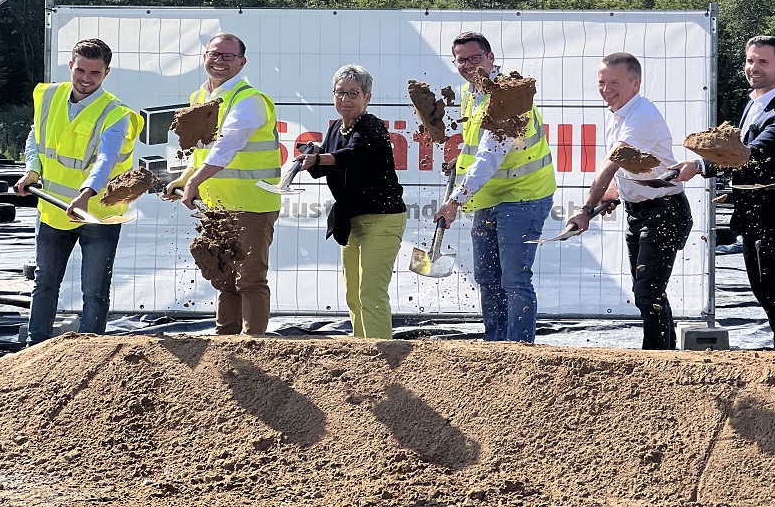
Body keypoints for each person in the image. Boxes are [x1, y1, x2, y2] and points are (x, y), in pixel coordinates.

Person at [672, 36, 775, 353]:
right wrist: (699, 164)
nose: (754, 67)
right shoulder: (754, 104)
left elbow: (756, 156)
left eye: (762, 61)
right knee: (767, 295)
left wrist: (700, 164)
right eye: (750, 60)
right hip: (755, 219)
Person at [16, 38, 144, 345]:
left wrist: (86, 193)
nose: (86, 79)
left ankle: (90, 352)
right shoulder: (49, 96)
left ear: (106, 73)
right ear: (71, 65)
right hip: (53, 210)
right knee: (45, 282)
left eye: (95, 73)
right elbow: (36, 136)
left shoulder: (115, 113)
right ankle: (35, 348)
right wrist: (32, 169)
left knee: (95, 290)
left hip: (97, 213)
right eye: (81, 70)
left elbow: (107, 157)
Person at [433, 32, 555, 343]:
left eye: (475, 58)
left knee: (514, 279)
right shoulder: (471, 90)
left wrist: (455, 200)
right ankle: (494, 347)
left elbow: (491, 156)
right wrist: (458, 160)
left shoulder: (509, 95)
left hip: (524, 195)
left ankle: (518, 349)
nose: (468, 65)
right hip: (490, 197)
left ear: (491, 57)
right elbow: (477, 144)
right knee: (487, 277)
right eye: (461, 60)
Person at [567, 52, 693, 350]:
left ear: (635, 84)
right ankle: (663, 355)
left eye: (614, 82)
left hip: (664, 211)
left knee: (648, 291)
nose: (606, 89)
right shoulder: (619, 113)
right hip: (640, 211)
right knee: (647, 292)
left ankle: (656, 358)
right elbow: (625, 170)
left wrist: (586, 209)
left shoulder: (642, 117)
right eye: (601, 82)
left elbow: (612, 162)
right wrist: (614, 194)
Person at [168, 34, 281, 335]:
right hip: (217, 206)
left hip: (252, 205)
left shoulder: (249, 100)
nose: (219, 61)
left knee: (250, 279)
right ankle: (225, 344)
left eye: (228, 56)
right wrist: (183, 179)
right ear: (204, 57)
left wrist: (193, 183)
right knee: (225, 278)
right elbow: (201, 151)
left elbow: (227, 146)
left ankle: (253, 346)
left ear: (242, 62)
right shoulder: (200, 98)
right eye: (214, 54)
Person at [297, 64, 406, 339]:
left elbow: (352, 154)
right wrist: (311, 156)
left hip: (382, 218)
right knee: (352, 291)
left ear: (367, 97)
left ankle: (383, 354)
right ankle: (361, 352)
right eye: (340, 92)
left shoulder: (372, 126)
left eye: (353, 93)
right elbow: (326, 165)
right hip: (351, 218)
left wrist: (319, 157)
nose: (345, 99)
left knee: (371, 291)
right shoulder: (336, 127)